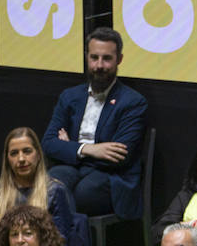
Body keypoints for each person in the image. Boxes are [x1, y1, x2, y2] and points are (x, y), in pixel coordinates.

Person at [44, 27, 149, 219]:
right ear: (87, 57)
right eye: (94, 58)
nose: (99, 65)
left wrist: (69, 147)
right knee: (48, 187)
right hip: (73, 167)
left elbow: (119, 156)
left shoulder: (133, 102)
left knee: (80, 196)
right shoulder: (70, 96)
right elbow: (49, 143)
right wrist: (88, 149)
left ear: (119, 59)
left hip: (110, 177)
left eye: (107, 58)